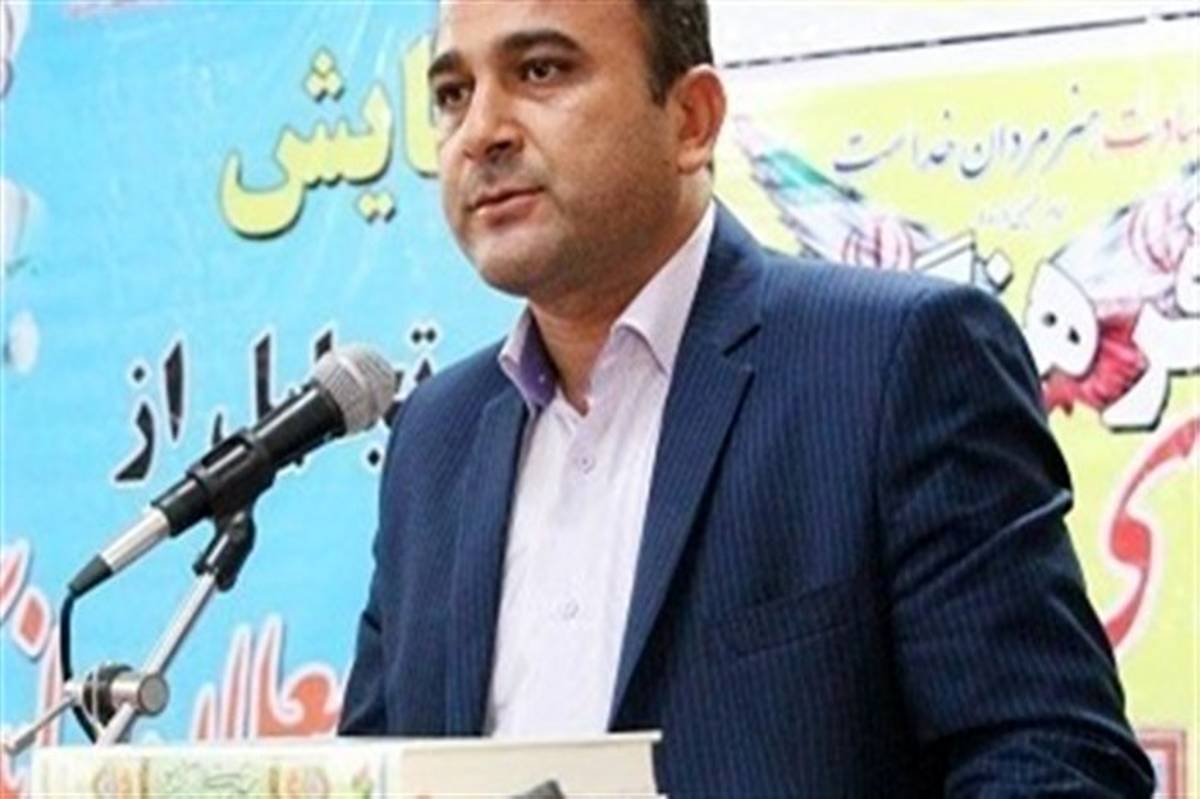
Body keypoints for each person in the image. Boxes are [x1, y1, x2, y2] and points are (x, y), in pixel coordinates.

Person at [340, 1, 1154, 794]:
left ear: (692, 120)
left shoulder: (893, 364)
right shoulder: (434, 441)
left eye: (542, 71)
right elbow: (373, 769)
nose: (481, 131)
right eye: (453, 93)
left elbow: (1056, 762)